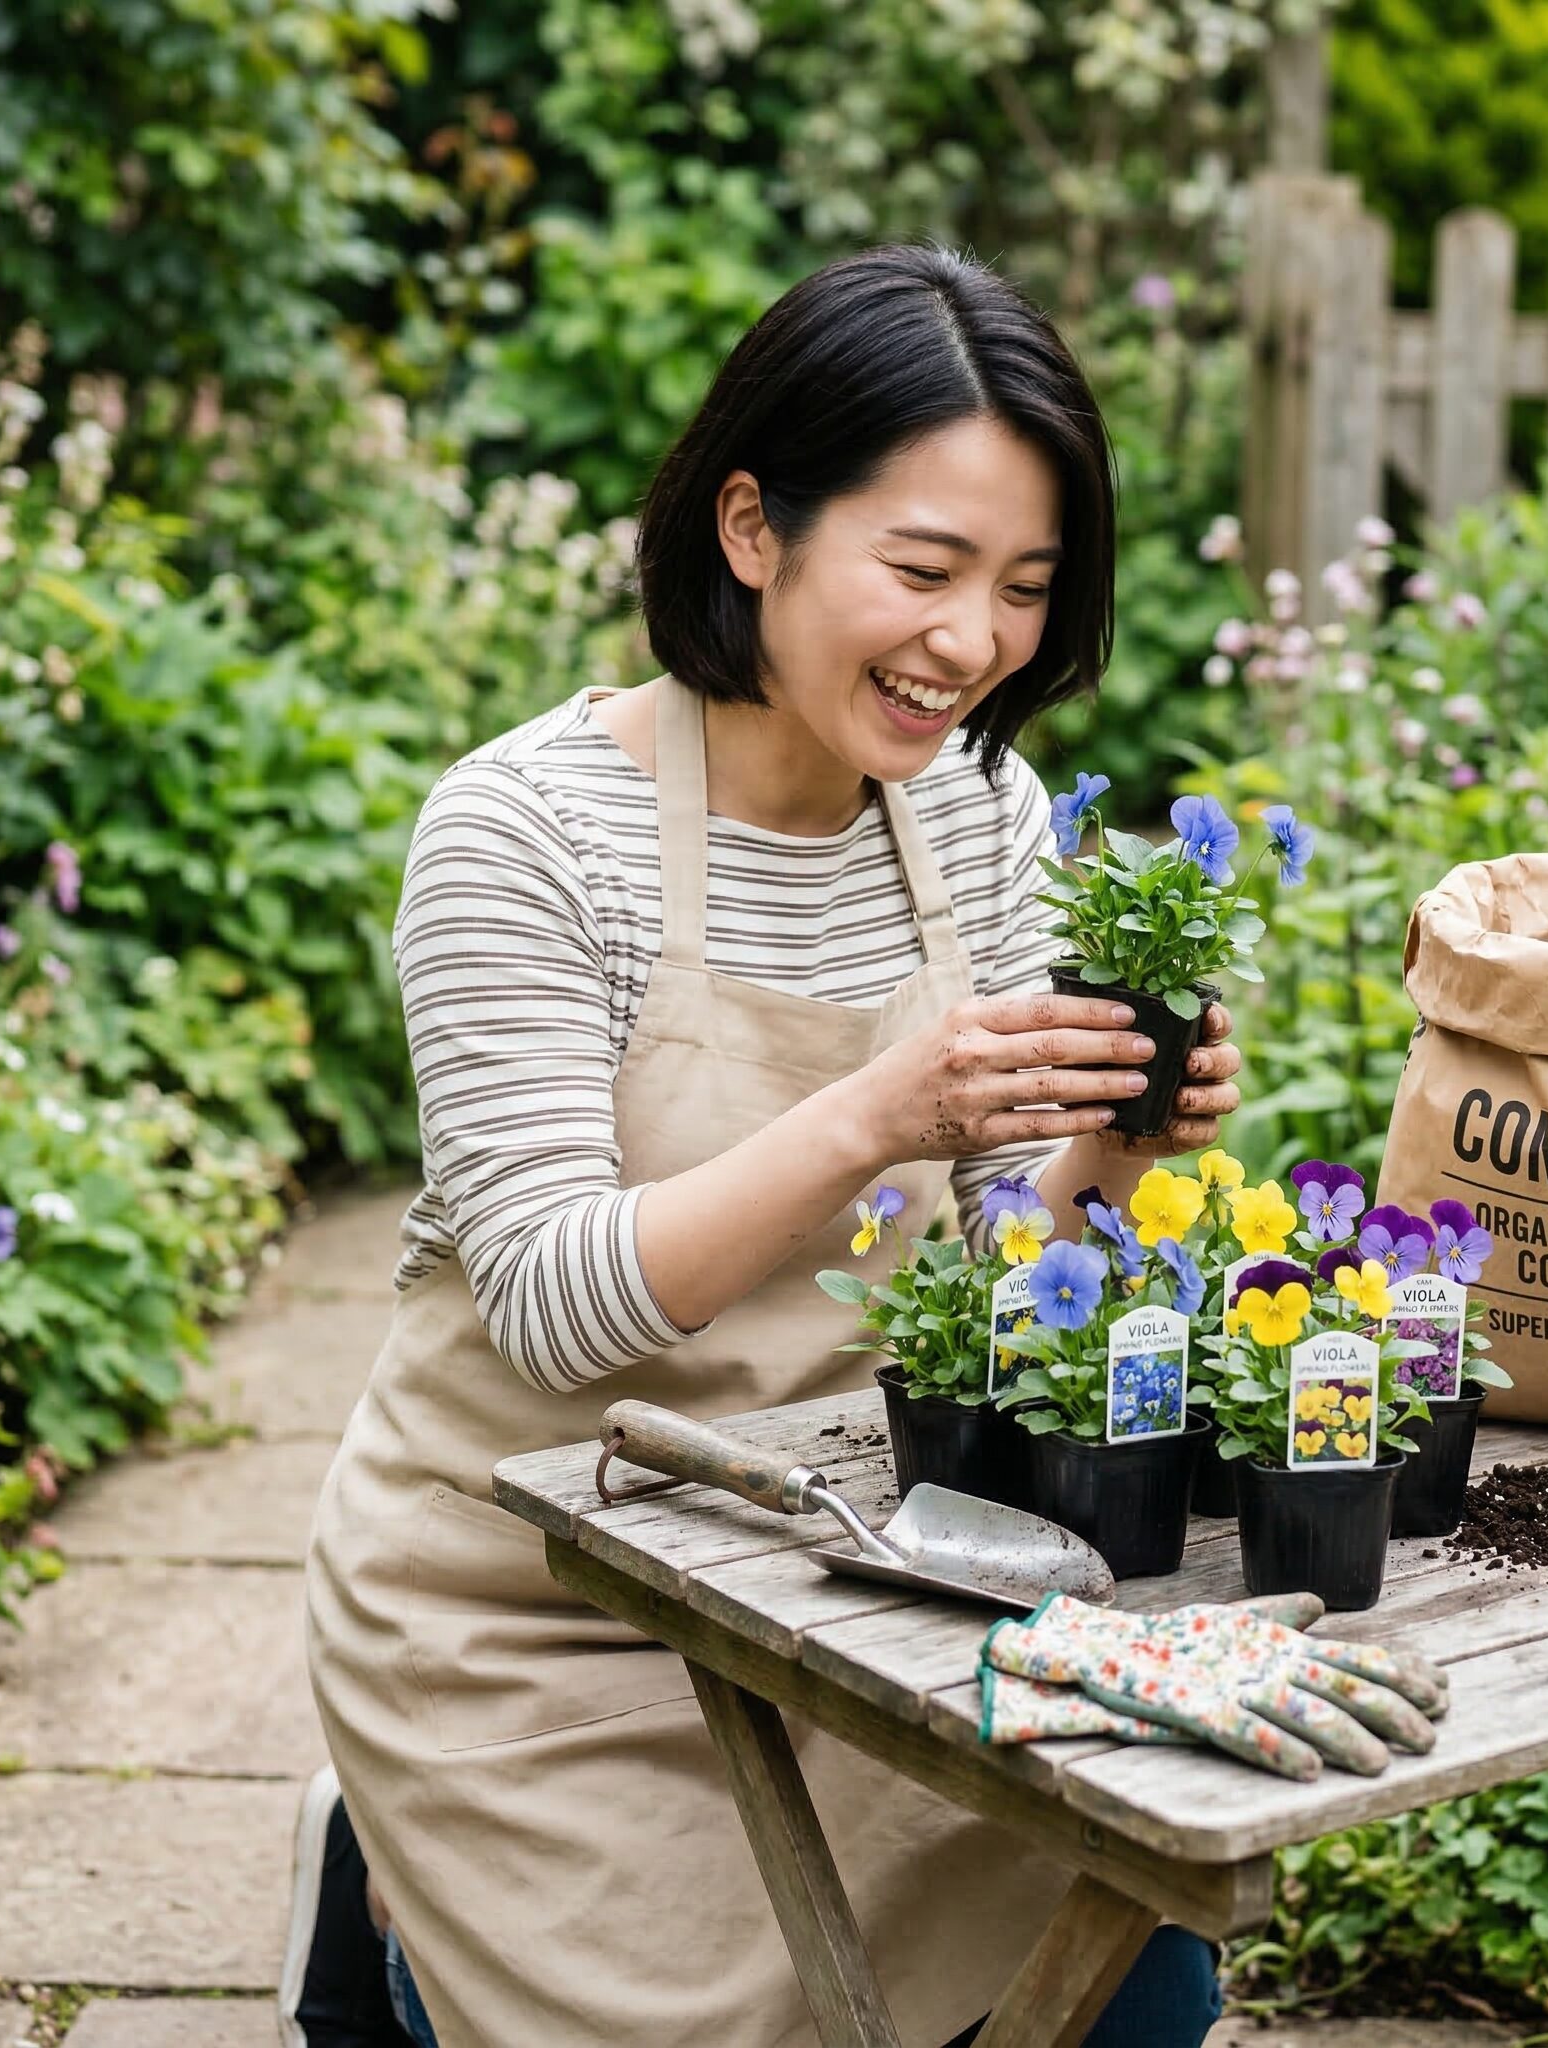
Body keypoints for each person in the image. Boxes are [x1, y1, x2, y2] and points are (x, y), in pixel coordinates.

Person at [284, 242, 1242, 2048]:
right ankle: (392, 1883)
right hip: (534, 1601)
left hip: (850, 1568)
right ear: (751, 529)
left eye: (1026, 588)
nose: (975, 642)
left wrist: (1117, 1153)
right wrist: (880, 1111)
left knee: (1137, 1976)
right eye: (924, 569)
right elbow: (556, 1309)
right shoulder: (521, 831)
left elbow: (994, 1282)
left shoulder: (984, 814)